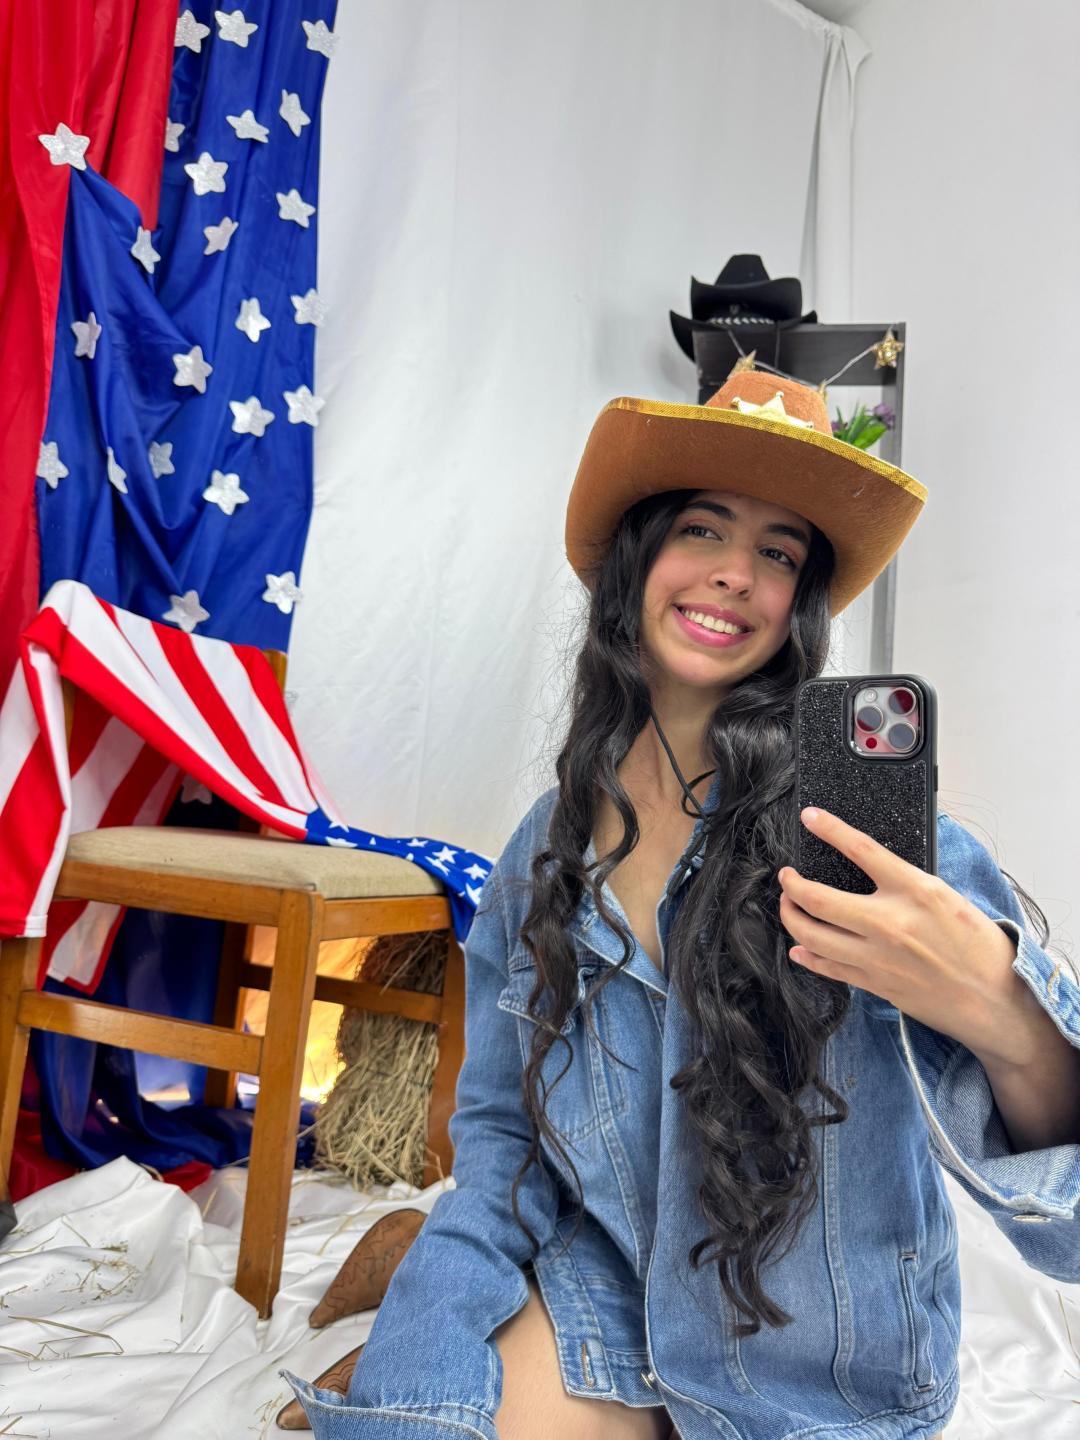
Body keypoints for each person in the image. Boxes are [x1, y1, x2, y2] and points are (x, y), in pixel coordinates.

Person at [284, 371, 1080, 1439]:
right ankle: (409, 1265)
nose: (736, 574)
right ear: (638, 560)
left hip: (820, 1385)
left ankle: (398, 1261)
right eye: (702, 528)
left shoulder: (882, 851)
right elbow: (501, 1149)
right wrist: (416, 1377)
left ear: (797, 607)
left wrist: (1000, 1006)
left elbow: (1068, 1241)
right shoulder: (542, 856)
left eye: (779, 553)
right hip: (610, 1299)